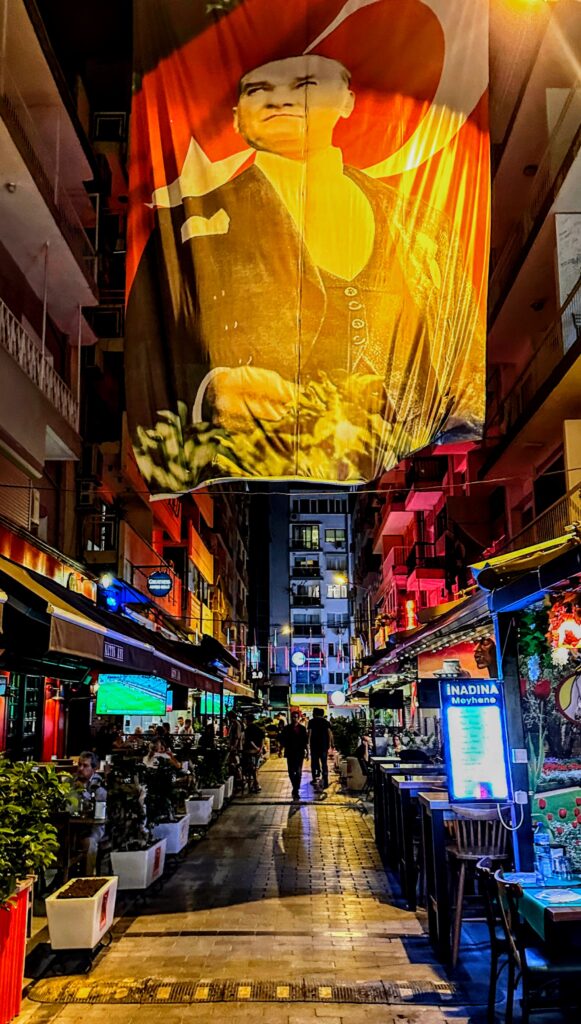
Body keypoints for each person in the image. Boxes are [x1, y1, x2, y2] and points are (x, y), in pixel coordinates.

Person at [127, 55, 481, 488]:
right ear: (237, 118)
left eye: (306, 84)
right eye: (258, 90)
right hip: (253, 464)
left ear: (348, 101)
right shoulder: (183, 231)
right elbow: (147, 362)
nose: (281, 100)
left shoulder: (423, 227)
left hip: (396, 469)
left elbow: (467, 367)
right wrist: (206, 395)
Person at [75, 752, 107, 875]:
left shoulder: (99, 785)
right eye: (79, 765)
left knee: (89, 843)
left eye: (85, 766)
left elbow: (98, 807)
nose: (80, 769)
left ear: (94, 768)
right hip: (72, 827)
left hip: (93, 827)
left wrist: (82, 791)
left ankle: (86, 879)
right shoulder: (70, 781)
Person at [279, 710, 308, 800]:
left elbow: (305, 741)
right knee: (291, 772)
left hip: (299, 753)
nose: (294, 719)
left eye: (296, 717)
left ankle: (296, 789)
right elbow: (282, 740)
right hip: (290, 752)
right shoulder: (287, 728)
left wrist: (308, 752)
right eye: (293, 717)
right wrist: (280, 750)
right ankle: (295, 787)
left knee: (298, 772)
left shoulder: (302, 729)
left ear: (298, 718)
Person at [308, 708, 334, 789]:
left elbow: (309, 734)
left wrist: (308, 744)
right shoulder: (326, 722)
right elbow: (330, 733)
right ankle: (325, 780)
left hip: (314, 746)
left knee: (314, 763)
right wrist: (331, 744)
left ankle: (315, 778)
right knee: (324, 763)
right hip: (324, 746)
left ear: (315, 713)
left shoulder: (311, 721)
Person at [242, 713, 265, 794]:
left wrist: (256, 748)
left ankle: (255, 784)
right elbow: (263, 738)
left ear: (248, 720)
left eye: (245, 719)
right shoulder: (258, 728)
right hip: (258, 751)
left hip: (250, 751)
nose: (244, 721)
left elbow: (250, 741)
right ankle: (255, 784)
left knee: (251, 768)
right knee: (255, 768)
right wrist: (260, 749)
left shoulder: (248, 729)